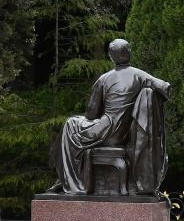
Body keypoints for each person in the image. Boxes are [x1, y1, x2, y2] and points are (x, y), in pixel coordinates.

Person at [47, 39, 171, 195]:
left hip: (106, 130)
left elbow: (91, 114)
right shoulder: (140, 75)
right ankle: (69, 180)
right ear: (129, 53)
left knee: (70, 124)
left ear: (111, 57)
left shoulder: (104, 79)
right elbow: (165, 87)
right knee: (72, 126)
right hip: (124, 134)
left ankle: (70, 182)